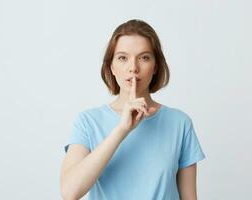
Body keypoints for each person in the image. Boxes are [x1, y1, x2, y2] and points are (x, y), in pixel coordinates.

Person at [60, 19, 206, 200]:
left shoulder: (180, 123)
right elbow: (69, 192)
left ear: (155, 67)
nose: (133, 68)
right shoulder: (87, 122)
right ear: (111, 67)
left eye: (144, 57)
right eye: (123, 58)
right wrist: (122, 130)